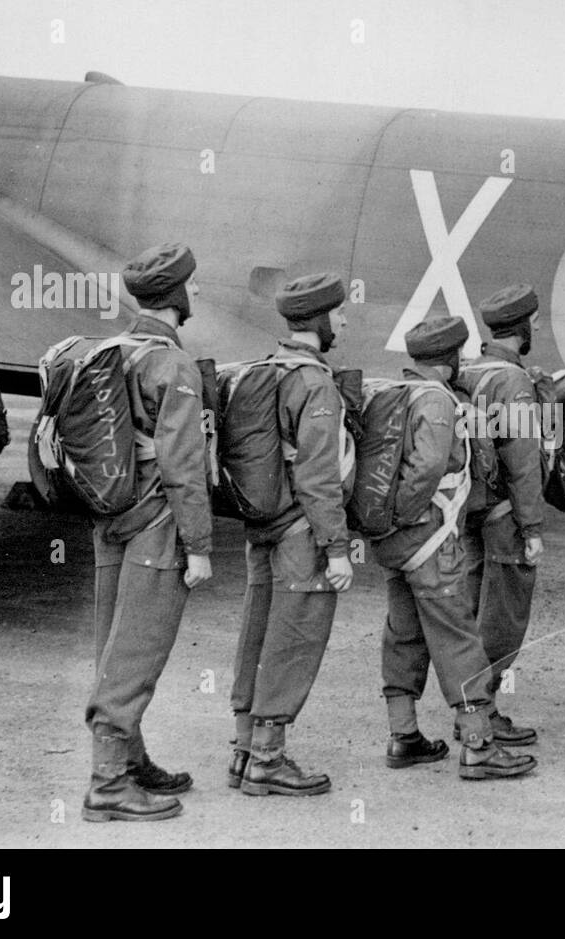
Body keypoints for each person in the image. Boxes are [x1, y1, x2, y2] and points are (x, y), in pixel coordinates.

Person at [82, 243, 213, 822]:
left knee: (114, 642)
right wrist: (200, 546)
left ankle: (130, 760)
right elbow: (185, 467)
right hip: (157, 524)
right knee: (138, 650)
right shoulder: (173, 364)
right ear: (180, 296)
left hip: (109, 517)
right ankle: (108, 783)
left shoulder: (106, 351)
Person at [375, 316, 537, 781]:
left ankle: (403, 735)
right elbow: (426, 469)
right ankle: (480, 746)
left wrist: (391, 525)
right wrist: (410, 516)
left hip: (395, 545)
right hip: (430, 539)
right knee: (458, 639)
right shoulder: (440, 401)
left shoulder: (395, 392)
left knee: (403, 633)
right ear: (448, 360)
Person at [227, 274, 353, 795]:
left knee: (258, 631)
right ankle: (269, 760)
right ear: (321, 321)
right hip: (302, 529)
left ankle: (242, 751)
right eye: (338, 314)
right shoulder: (314, 382)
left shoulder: (263, 369)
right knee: (295, 636)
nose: (343, 321)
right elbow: (319, 475)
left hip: (263, 524)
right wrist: (339, 548)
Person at [454, 284, 546, 747]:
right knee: (504, 617)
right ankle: (483, 711)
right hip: (506, 515)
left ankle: (469, 706)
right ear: (524, 327)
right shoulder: (513, 381)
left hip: (470, 510)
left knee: (471, 610)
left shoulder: (468, 372)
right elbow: (524, 458)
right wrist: (532, 526)